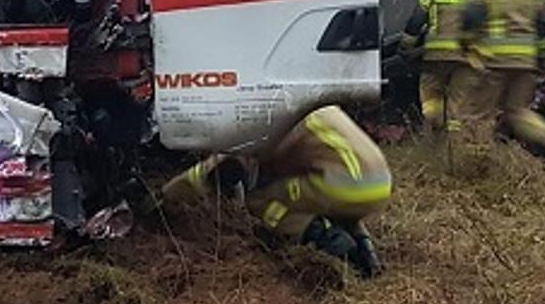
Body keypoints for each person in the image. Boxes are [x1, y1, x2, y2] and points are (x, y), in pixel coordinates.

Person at [160, 105, 390, 276]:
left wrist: (164, 198)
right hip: (379, 184)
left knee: (264, 200)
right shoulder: (318, 107)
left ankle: (335, 247)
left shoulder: (263, 123)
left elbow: (208, 172)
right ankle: (366, 253)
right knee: (321, 198)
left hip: (343, 185)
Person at [454, 0, 545, 155]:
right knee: (518, 112)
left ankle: (476, 161)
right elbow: (542, 28)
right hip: (525, 64)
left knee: (476, 115)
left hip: (492, 63)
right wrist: (542, 59)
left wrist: (466, 46)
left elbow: (470, 18)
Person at [402, 0, 474, 134]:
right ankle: (456, 142)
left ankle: (435, 132)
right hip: (465, 59)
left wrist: (405, 47)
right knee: (458, 104)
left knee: (432, 98)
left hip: (434, 58)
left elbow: (415, 22)